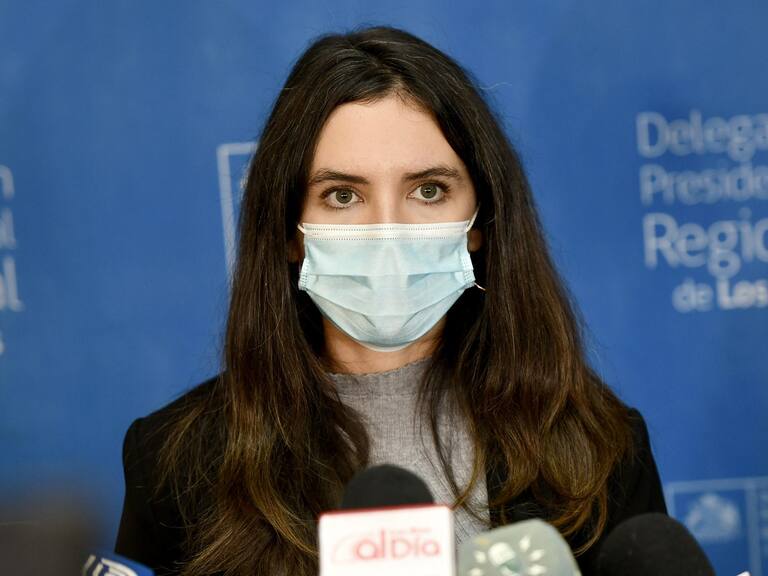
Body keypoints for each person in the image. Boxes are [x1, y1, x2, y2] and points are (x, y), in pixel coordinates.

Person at [114, 25, 667, 576]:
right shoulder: (172, 461)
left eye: (428, 190)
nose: (387, 233)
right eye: (343, 196)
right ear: (288, 229)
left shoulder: (599, 447)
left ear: (480, 221)